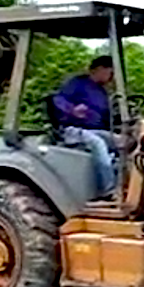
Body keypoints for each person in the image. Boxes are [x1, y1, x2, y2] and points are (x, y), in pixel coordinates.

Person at [51, 56, 117, 196]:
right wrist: (72, 109)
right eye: (111, 73)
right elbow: (58, 99)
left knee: (124, 142)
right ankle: (110, 190)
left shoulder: (101, 92)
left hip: (95, 130)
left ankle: (126, 185)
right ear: (100, 69)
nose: (112, 77)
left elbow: (106, 116)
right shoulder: (77, 83)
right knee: (97, 143)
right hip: (72, 130)